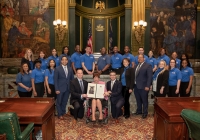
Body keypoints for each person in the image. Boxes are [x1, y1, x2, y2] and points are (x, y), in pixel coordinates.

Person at [134, 54, 152, 119]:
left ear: (144, 58)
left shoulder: (148, 66)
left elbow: (149, 77)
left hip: (144, 86)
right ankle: (139, 111)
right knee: (138, 100)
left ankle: (145, 113)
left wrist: (148, 85)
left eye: (141, 57)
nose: (140, 59)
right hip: (136, 86)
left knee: (144, 100)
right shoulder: (136, 66)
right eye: (138, 58)